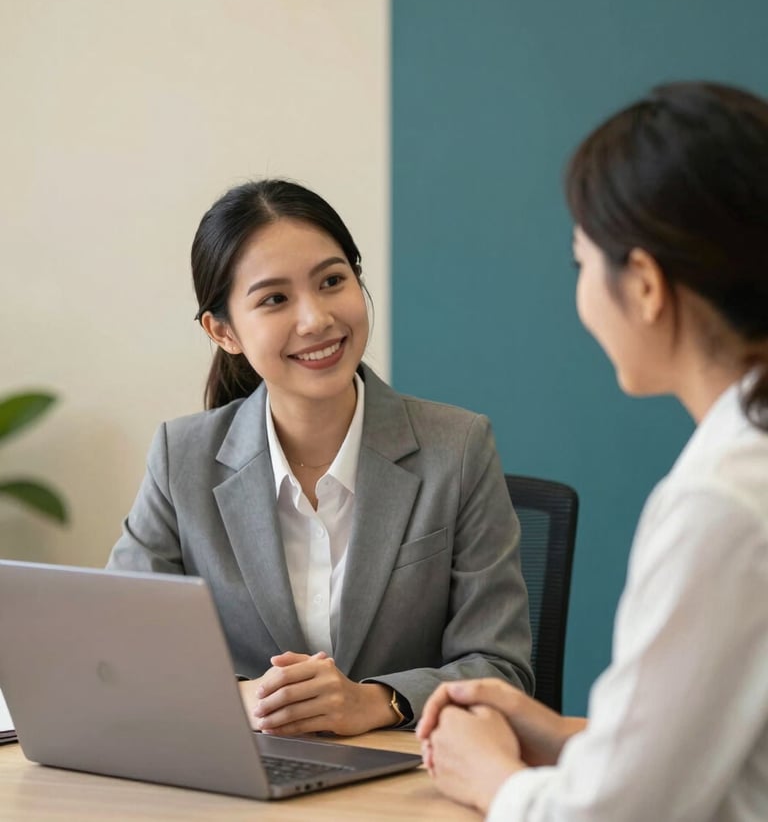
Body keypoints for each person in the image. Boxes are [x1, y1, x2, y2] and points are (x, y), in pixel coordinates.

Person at [417, 81, 768, 821]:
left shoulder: (722, 504)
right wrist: (569, 736)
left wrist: (492, 778)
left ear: (643, 284)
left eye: (582, 263)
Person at [107, 178, 533, 737]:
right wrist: (242, 698)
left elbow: (500, 668)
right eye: (274, 299)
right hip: (241, 782)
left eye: (332, 281)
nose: (316, 320)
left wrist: (379, 702)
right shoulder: (180, 458)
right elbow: (117, 652)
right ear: (223, 331)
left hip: (402, 784)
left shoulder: (457, 448)